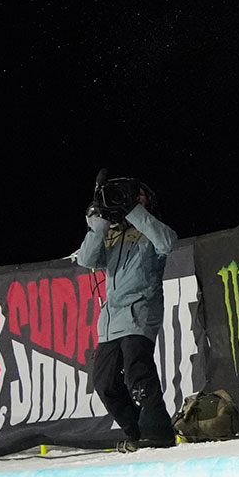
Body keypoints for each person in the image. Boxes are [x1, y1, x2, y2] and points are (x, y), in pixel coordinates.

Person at [76, 173, 179, 451]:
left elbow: (168, 242)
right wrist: (99, 222)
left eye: (137, 195)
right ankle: (137, 432)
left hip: (140, 313)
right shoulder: (110, 234)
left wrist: (133, 210)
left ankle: (158, 431)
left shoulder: (151, 229)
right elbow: (85, 260)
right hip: (110, 321)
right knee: (104, 382)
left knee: (138, 373)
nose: (131, 200)